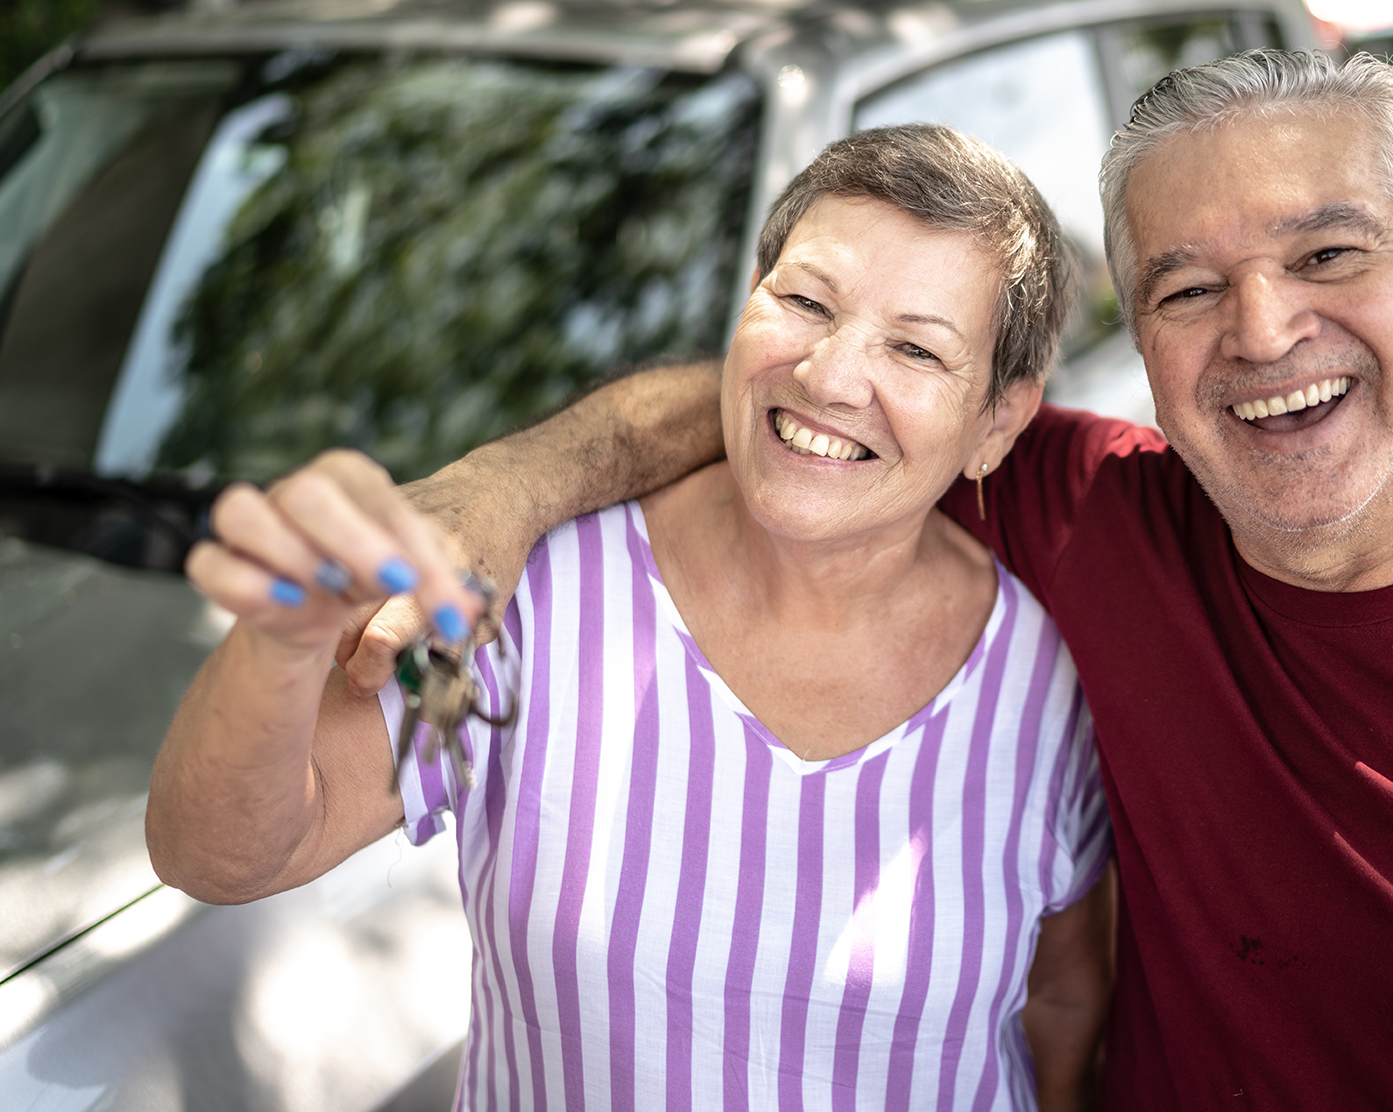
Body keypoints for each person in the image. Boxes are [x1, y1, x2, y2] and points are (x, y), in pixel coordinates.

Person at [346, 50, 1393, 1110]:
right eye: (1188, 288)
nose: (1264, 331)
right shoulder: (1095, 512)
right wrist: (494, 496)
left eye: (1330, 255)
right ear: (1141, 353)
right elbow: (797, 399)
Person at [147, 125, 1118, 1111]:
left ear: (998, 422)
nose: (828, 376)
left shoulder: (1048, 681)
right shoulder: (530, 599)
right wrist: (283, 633)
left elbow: (1064, 1005)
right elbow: (220, 854)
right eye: (804, 301)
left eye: (915, 347)